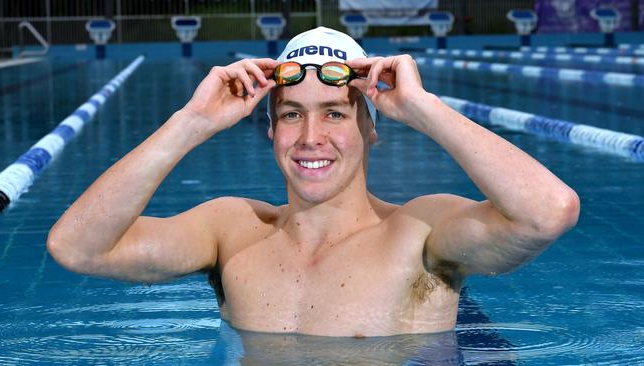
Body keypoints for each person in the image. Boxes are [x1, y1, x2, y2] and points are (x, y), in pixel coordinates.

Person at [47, 27, 579, 337]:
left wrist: (422, 108)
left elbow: (548, 211)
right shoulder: (231, 230)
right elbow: (77, 248)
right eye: (293, 115)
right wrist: (191, 123)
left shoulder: (421, 231)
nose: (310, 138)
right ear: (272, 129)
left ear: (370, 129)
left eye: (334, 114)